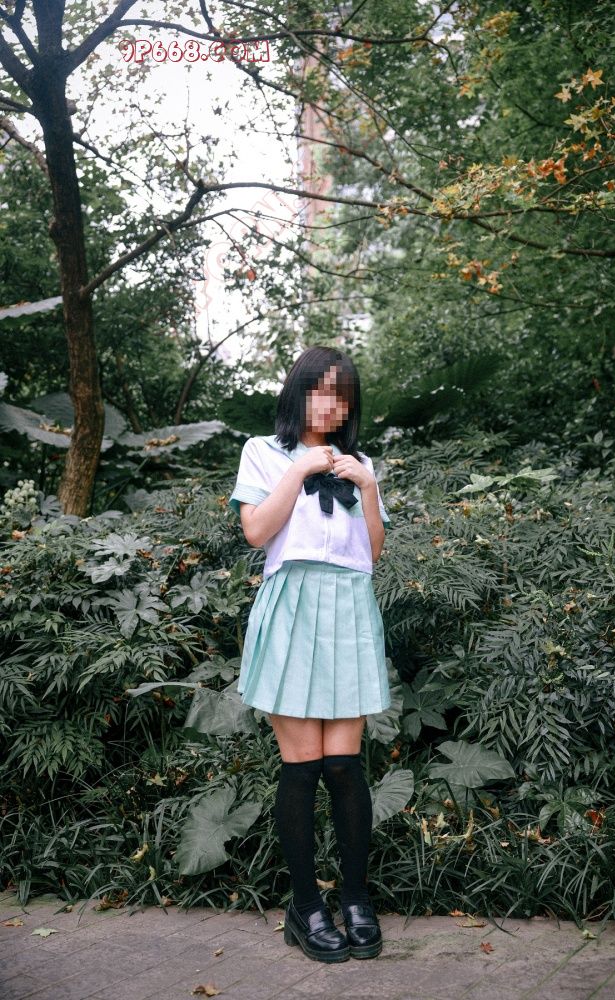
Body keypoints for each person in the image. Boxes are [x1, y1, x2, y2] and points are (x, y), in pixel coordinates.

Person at [227, 346, 392, 964]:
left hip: (348, 608)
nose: (331, 405)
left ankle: (356, 899)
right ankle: (305, 907)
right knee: (301, 768)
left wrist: (367, 486)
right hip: (293, 604)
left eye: (342, 396)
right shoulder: (262, 452)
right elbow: (256, 532)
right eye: (321, 391)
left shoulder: (359, 463)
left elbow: (371, 553)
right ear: (298, 392)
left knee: (345, 767)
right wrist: (298, 472)